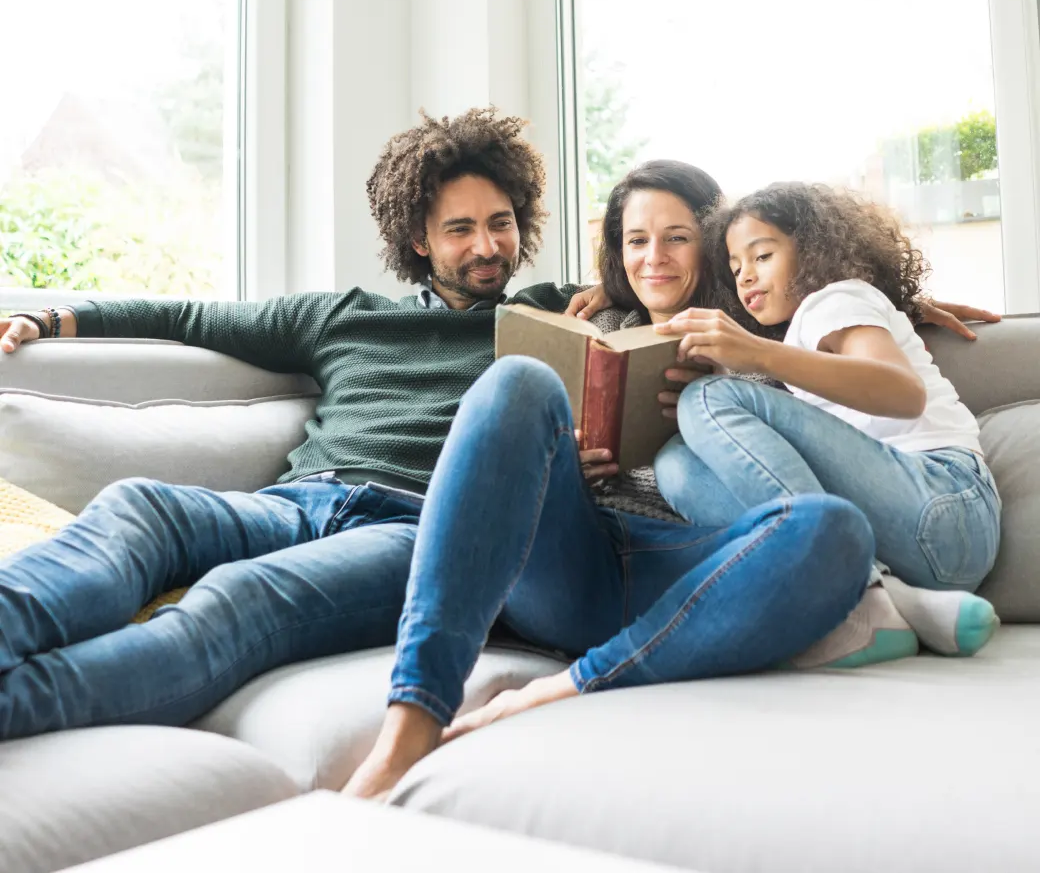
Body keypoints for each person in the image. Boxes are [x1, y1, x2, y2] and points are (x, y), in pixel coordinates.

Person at [343, 162, 994, 800]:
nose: (654, 258)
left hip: (716, 574)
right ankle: (411, 725)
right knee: (518, 382)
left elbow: (835, 316)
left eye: (678, 238)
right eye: (635, 241)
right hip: (581, 566)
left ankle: (574, 682)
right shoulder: (595, 322)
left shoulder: (765, 328)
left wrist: (897, 299)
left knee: (831, 524)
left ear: (710, 247)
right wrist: (566, 463)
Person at [0, 107, 591, 740]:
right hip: (295, 503)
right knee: (140, 507)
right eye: (460, 229)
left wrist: (619, 289)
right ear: (420, 240)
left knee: (238, 598)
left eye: (500, 224)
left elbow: (652, 277)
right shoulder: (342, 318)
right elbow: (188, 319)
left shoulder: (553, 318)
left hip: (416, 531)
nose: (487, 247)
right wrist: (54, 317)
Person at [651, 182, 1002, 663]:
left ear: (814, 248)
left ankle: (853, 592)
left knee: (707, 398)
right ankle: (894, 600)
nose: (746, 277)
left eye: (762, 256)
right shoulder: (802, 335)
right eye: (735, 268)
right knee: (676, 466)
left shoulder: (835, 300)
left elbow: (904, 392)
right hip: (920, 550)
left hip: (944, 501)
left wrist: (756, 355)